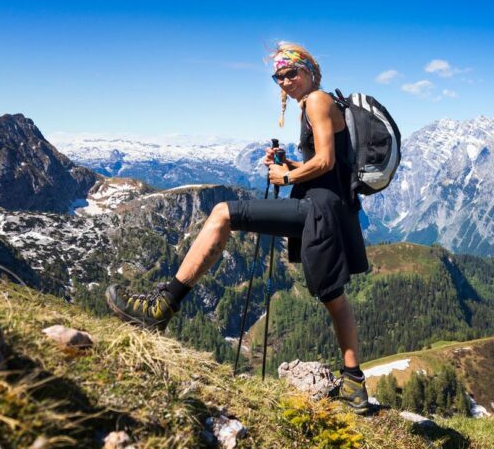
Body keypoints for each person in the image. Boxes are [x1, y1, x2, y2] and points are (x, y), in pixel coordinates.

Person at [106, 42, 370, 413]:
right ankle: (354, 384)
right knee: (333, 297)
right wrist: (291, 162)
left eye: (292, 72)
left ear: (309, 69)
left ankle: (161, 307)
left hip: (318, 211)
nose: (285, 81)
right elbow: (331, 163)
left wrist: (286, 173)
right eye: (278, 76)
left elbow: (324, 162)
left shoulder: (317, 101)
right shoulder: (321, 103)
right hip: (332, 210)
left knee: (223, 213)